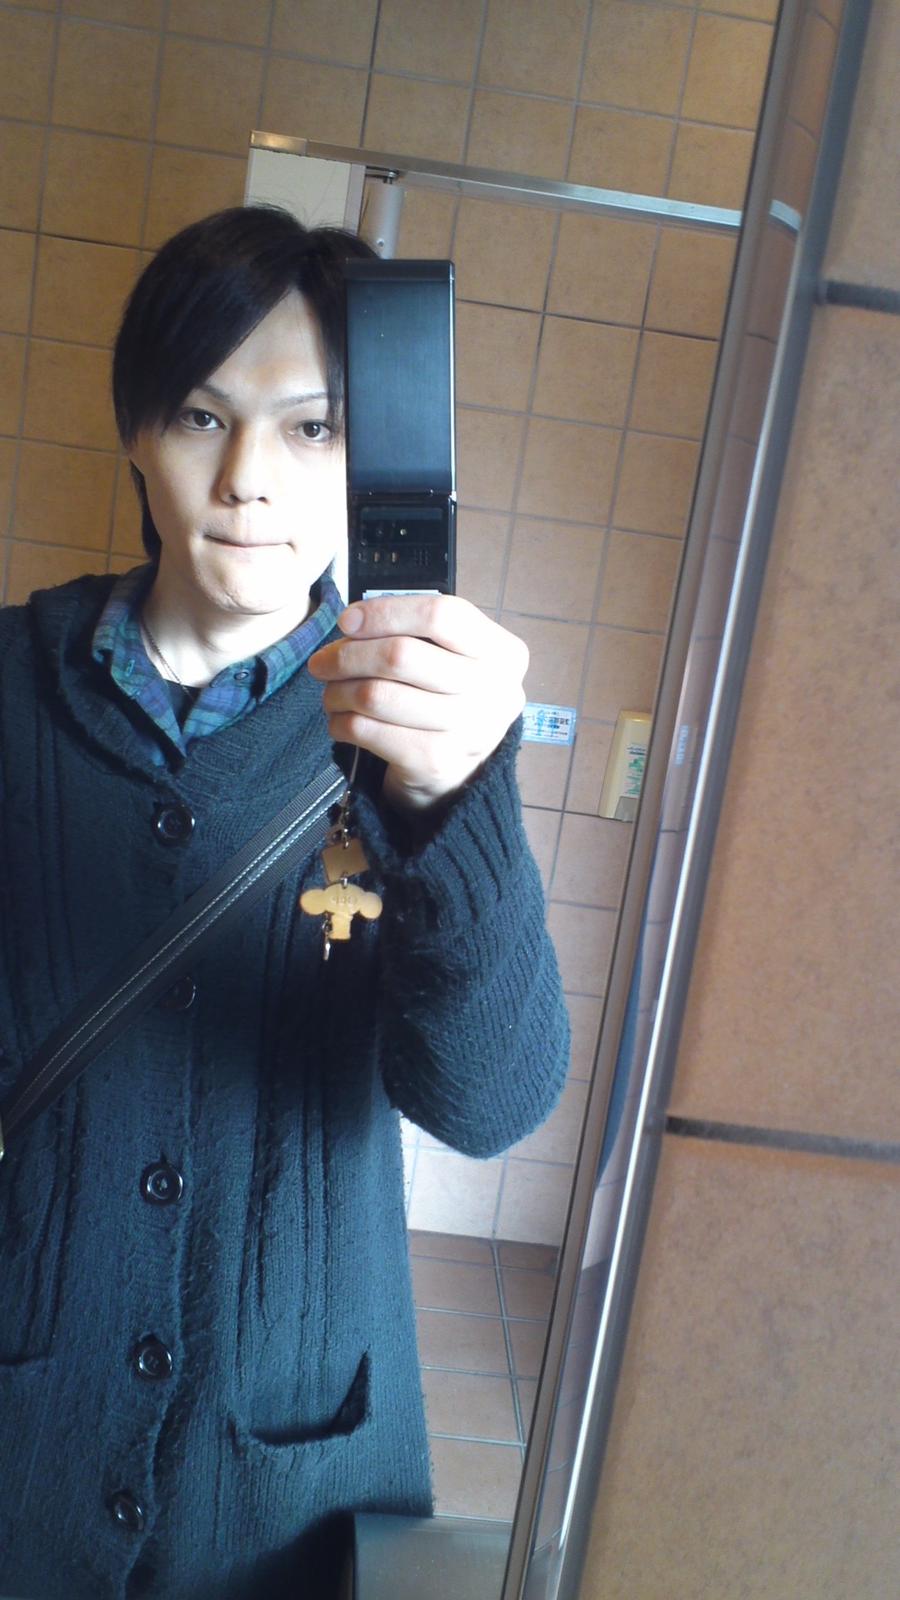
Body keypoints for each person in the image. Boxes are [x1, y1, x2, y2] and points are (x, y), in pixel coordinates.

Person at [0, 206, 569, 1600]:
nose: (250, 480)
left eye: (312, 428)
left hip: (283, 1458)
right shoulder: (11, 688)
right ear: (137, 432)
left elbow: (490, 1102)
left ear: (373, 459)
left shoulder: (423, 733)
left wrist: (454, 807)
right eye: (203, 417)